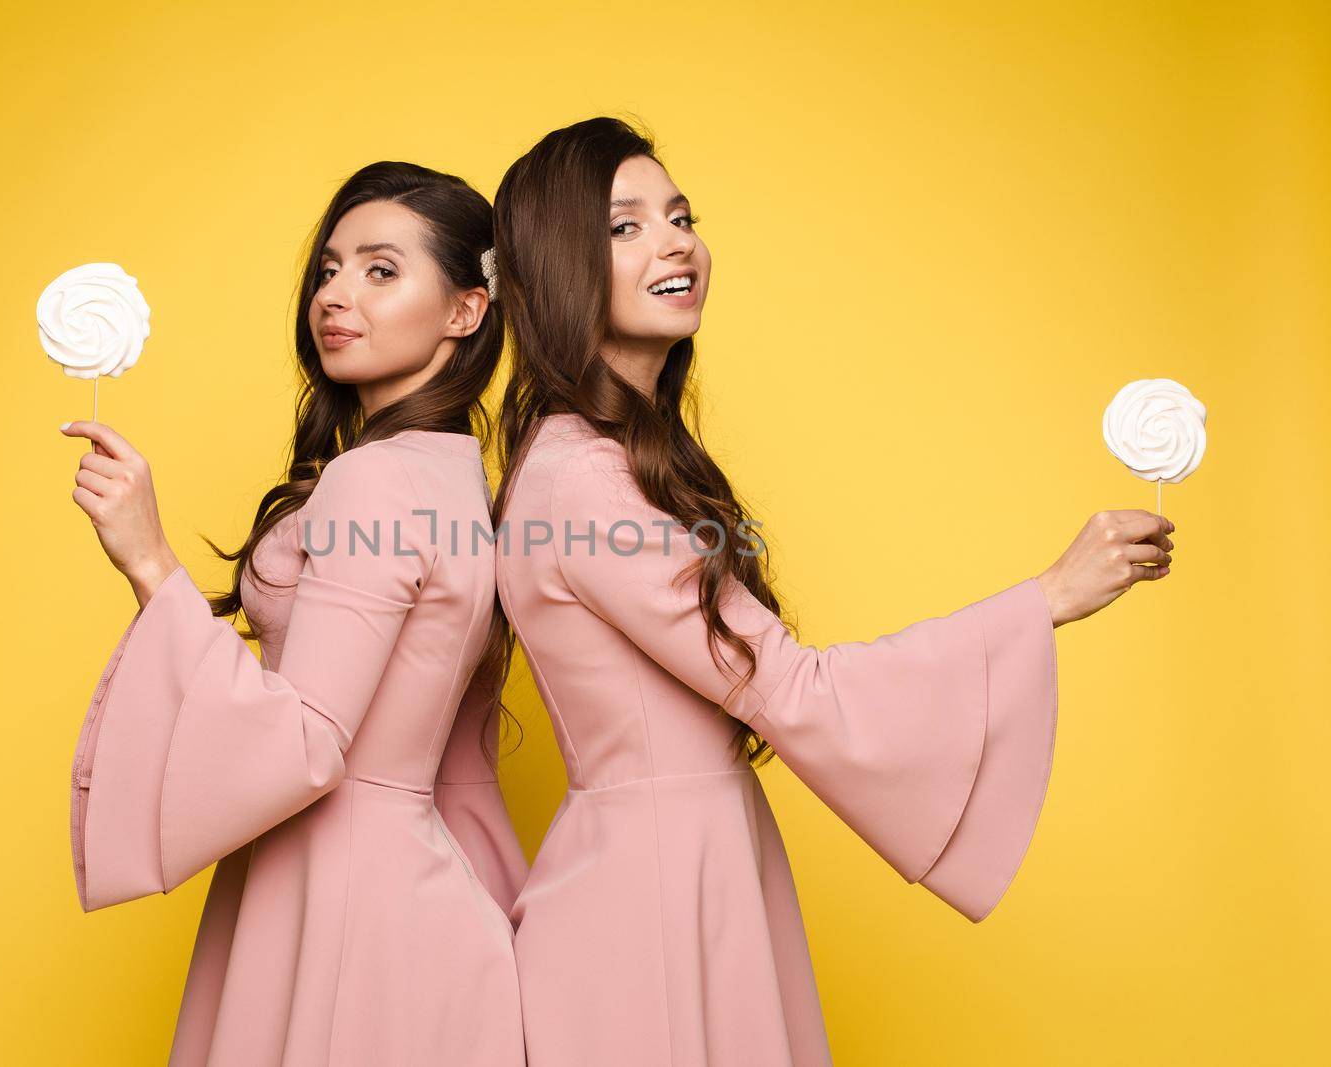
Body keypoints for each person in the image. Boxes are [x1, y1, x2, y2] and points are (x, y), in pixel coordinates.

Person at [488, 117, 1175, 1066]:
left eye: (681, 215)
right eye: (626, 225)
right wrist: (1043, 599)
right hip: (650, 902)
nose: (676, 240)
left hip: (678, 870)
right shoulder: (583, 480)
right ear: (558, 264)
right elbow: (790, 687)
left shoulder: (605, 459)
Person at [59, 161, 527, 1066]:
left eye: (381, 270)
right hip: (413, 897)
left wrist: (150, 559)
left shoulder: (375, 479)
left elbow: (307, 741)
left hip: (340, 900)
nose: (336, 295)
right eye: (329, 269)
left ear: (467, 310)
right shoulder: (458, 477)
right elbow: (456, 759)